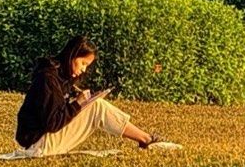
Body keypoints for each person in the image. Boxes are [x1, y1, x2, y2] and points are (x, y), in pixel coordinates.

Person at [15, 36, 163, 157]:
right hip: (38, 145)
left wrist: (77, 101)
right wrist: (77, 104)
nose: (83, 69)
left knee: (95, 104)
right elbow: (52, 123)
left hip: (42, 141)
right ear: (72, 56)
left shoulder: (60, 77)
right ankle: (147, 139)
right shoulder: (48, 78)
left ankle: (146, 139)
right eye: (83, 63)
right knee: (97, 106)